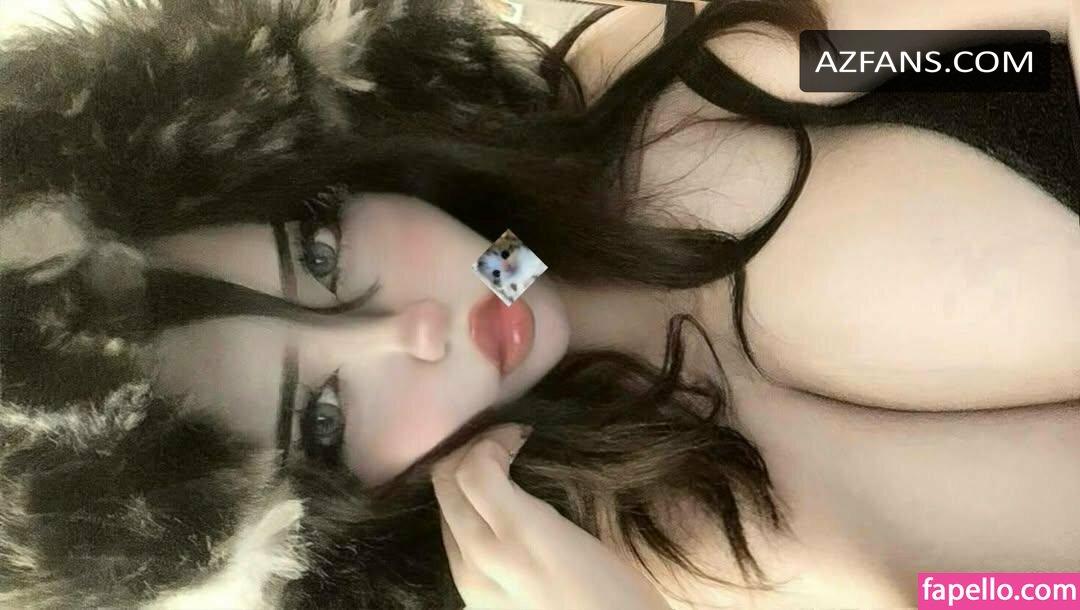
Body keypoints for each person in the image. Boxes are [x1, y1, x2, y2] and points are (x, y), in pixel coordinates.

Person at [1, 0, 1078, 608]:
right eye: (323, 415)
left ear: (318, 158)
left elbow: (1025, 31)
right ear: (329, 515)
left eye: (318, 253)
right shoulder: (636, 559)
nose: (414, 330)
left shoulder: (676, 89)